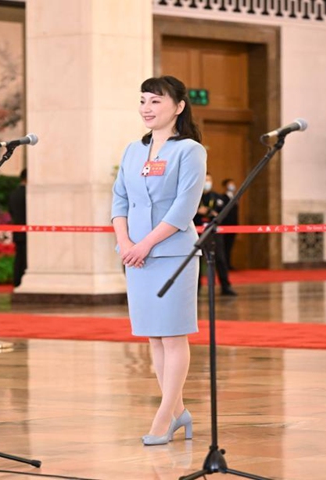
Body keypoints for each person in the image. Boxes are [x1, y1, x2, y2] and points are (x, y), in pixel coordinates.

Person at [111, 76, 206, 446]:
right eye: (143, 101)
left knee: (174, 334)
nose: (147, 108)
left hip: (172, 255)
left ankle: (164, 416)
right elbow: (119, 200)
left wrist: (145, 244)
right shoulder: (133, 150)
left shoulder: (190, 151)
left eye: (156, 101)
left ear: (179, 107)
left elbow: (184, 208)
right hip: (136, 257)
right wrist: (125, 242)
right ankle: (178, 411)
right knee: (154, 336)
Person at [195, 173, 237, 296]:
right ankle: (196, 289)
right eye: (205, 180)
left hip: (214, 233)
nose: (207, 183)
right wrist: (198, 211)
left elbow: (223, 213)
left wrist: (210, 213)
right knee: (197, 260)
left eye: (209, 180)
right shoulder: (194, 197)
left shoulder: (218, 197)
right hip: (197, 233)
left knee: (220, 259)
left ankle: (226, 286)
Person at [8, 168, 27, 291]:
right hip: (28, 231)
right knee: (25, 259)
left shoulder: (14, 194)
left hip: (17, 230)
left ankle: (16, 281)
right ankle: (21, 281)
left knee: (19, 258)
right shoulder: (28, 194)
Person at [220, 178, 239, 270]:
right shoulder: (223, 198)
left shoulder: (235, 197)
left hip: (234, 225)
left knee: (230, 245)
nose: (232, 186)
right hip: (225, 226)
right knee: (224, 246)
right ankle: (225, 265)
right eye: (230, 184)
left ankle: (229, 263)